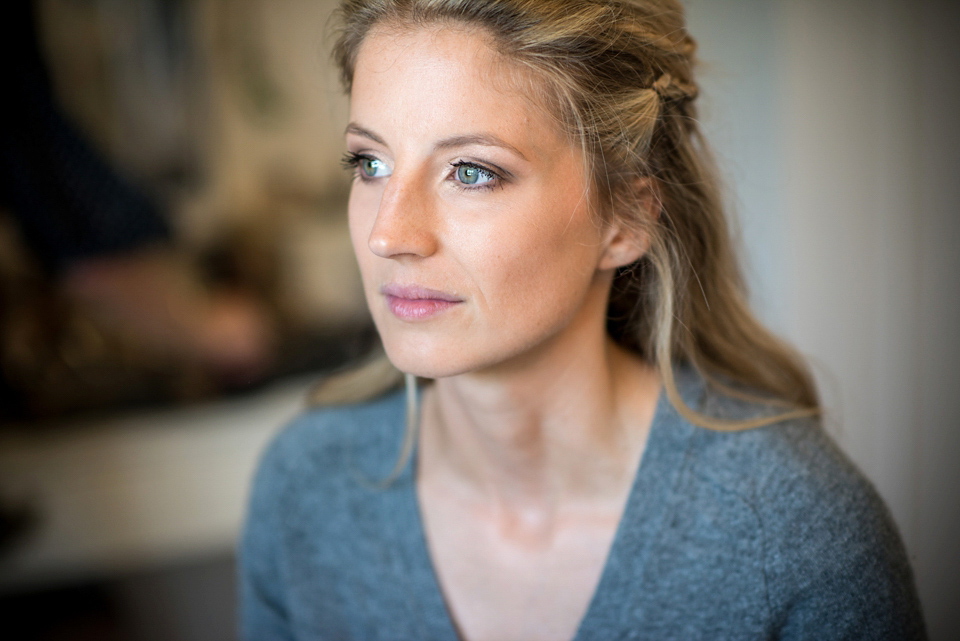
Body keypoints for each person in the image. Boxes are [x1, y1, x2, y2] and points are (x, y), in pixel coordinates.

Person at [239, 1, 926, 639]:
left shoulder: (795, 533)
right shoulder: (305, 488)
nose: (390, 233)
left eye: (472, 172)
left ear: (626, 217)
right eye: (371, 162)